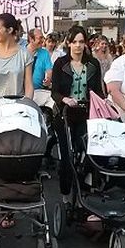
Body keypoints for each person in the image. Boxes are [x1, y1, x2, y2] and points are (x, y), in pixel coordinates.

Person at [51, 25, 104, 201]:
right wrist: (64, 99)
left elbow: (98, 91)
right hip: (65, 114)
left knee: (87, 152)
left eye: (81, 42)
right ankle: (66, 195)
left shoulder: (93, 64)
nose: (78, 46)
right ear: (68, 43)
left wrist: (104, 102)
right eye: (74, 42)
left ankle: (84, 190)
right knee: (67, 155)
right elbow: (55, 91)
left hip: (85, 113)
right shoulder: (61, 63)